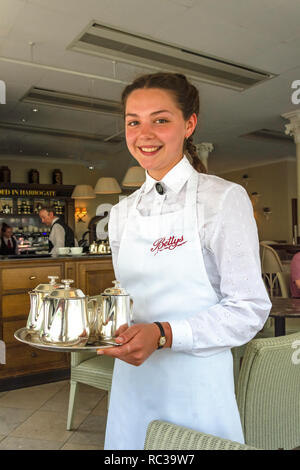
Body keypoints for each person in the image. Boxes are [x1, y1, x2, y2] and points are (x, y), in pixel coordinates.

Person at [97, 72, 271, 450]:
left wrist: (162, 334)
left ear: (189, 124)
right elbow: (129, 298)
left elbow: (249, 309)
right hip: (133, 379)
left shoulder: (222, 199)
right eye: (133, 122)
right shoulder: (121, 213)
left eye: (160, 119)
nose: (144, 134)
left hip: (196, 382)